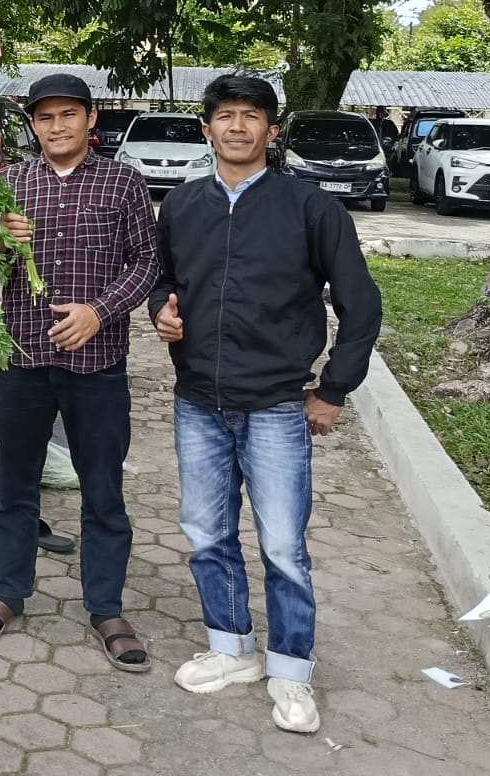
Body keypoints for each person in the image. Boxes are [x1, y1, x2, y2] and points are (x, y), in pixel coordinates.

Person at [151, 73, 383, 735]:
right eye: (225, 115)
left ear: (271, 131)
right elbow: (165, 280)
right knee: (207, 534)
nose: (237, 126)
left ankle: (290, 669)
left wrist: (333, 389)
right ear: (207, 130)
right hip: (198, 401)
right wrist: (161, 309)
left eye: (251, 116)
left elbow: (361, 305)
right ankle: (231, 650)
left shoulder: (310, 208)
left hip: (278, 405)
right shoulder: (183, 205)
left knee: (283, 546)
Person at [0, 74, 159, 672]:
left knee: (103, 489)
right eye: (45, 117)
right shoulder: (11, 183)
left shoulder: (122, 182)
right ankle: (9, 591)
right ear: (33, 125)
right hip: (23, 358)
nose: (57, 126)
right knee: (13, 484)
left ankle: (106, 608)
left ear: (90, 119)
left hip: (97, 364)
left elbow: (147, 263)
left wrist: (99, 312)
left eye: (69, 114)